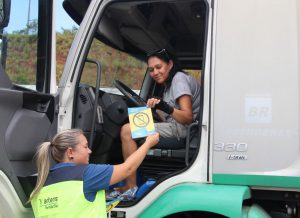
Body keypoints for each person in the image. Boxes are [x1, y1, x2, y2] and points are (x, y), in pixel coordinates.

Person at [109, 48, 201, 200]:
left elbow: (187, 117)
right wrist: (155, 108)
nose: (155, 72)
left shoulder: (179, 79)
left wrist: (165, 107)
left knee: (127, 130)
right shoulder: (169, 84)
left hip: (184, 130)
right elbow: (170, 116)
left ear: (170, 64)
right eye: (151, 70)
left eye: (159, 67)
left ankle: (130, 187)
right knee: (133, 125)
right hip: (179, 126)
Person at [29, 129, 159, 218]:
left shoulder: (39, 186)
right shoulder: (87, 174)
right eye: (85, 147)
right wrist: (148, 143)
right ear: (70, 153)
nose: (90, 151)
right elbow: (128, 169)